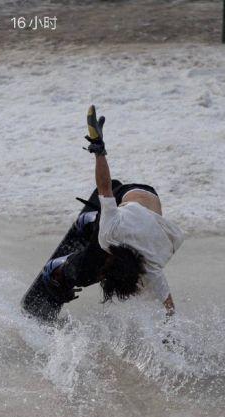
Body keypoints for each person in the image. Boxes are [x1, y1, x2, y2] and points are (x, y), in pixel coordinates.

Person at [83, 104, 185, 316]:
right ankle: (90, 221)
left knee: (108, 208)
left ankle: (94, 220)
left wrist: (99, 149)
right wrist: (99, 151)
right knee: (95, 249)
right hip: (129, 194)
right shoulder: (110, 236)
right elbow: (105, 187)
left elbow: (169, 307)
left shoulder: (153, 266)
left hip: (148, 198)